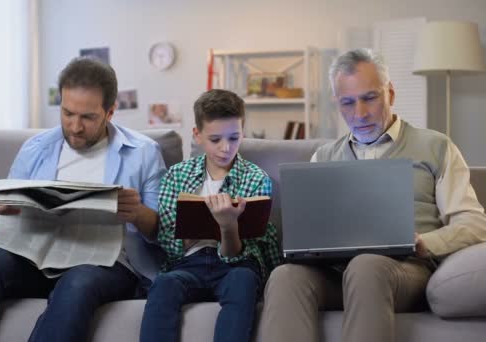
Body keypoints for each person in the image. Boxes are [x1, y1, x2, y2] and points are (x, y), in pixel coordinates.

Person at [0, 57, 167, 342]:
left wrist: (137, 212)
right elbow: (0, 220)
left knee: (78, 282)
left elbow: (161, 231)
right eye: (68, 113)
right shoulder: (36, 148)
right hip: (36, 257)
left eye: (88, 117)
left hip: (106, 264)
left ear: (110, 112)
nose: (75, 126)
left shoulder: (143, 152)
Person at [260, 48, 486, 342]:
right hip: (336, 273)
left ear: (390, 94)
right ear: (337, 104)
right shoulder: (324, 156)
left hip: (404, 271)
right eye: (348, 103)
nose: (360, 114)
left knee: (366, 265)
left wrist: (424, 243)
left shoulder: (436, 146)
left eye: (370, 98)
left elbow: (474, 224)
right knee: (285, 276)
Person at [139, 89, 282, 342]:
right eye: (215, 139)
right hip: (188, 264)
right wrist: (196, 230)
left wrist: (228, 227)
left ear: (243, 132)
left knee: (243, 281)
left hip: (234, 265)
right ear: (197, 135)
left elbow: (241, 254)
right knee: (164, 285)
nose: (225, 148)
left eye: (234, 138)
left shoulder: (255, 178)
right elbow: (171, 246)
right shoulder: (177, 176)